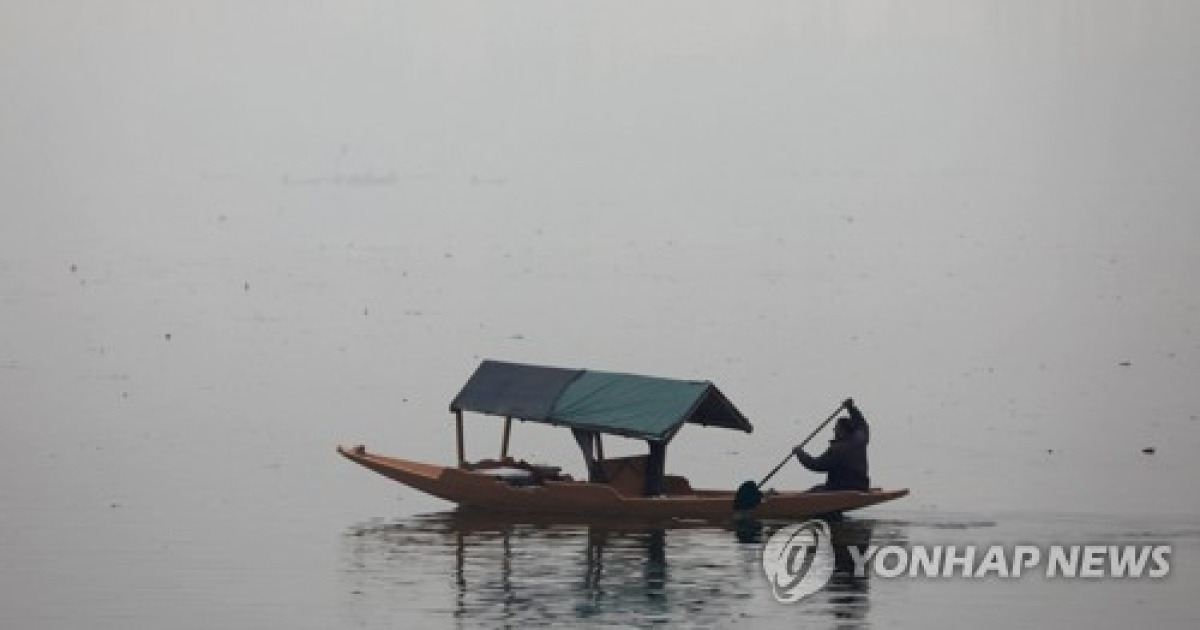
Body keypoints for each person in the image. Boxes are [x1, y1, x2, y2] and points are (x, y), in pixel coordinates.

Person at [793, 398, 871, 491]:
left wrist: (800, 453)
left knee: (814, 491)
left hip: (841, 488)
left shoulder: (837, 449)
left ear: (843, 431)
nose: (834, 430)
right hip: (861, 486)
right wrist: (851, 408)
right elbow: (861, 423)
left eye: (837, 428)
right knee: (817, 488)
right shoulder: (861, 439)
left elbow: (816, 465)